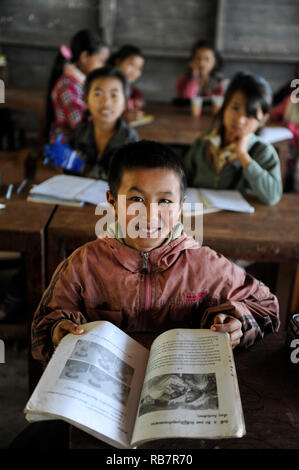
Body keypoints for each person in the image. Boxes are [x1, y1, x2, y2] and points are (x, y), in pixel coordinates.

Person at [31, 140, 279, 366]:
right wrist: (58, 330)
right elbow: (44, 323)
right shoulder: (83, 265)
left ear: (181, 206)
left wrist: (239, 324)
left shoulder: (205, 265)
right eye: (136, 199)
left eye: (164, 201)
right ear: (112, 202)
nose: (149, 215)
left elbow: (267, 307)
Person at [184, 71, 283, 205]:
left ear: (263, 120)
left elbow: (272, 197)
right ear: (225, 106)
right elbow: (182, 178)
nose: (240, 120)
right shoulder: (204, 142)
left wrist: (243, 156)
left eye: (250, 114)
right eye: (235, 108)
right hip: (202, 219)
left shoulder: (262, 152)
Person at [44, 66, 139, 180]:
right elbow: (67, 176)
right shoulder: (80, 133)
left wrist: (82, 167)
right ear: (86, 100)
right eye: (98, 94)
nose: (106, 102)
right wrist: (61, 161)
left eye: (114, 95)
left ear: (125, 103)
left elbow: (123, 180)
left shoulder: (130, 139)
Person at [45, 29, 110, 143]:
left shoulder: (84, 82)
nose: (103, 66)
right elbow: (80, 126)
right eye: (100, 61)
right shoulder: (67, 86)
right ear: (85, 57)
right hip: (68, 149)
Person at [108, 45, 145, 121]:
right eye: (132, 65)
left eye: (139, 68)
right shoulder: (107, 83)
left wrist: (136, 99)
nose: (135, 71)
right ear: (118, 62)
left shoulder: (126, 85)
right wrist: (122, 116)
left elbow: (134, 91)